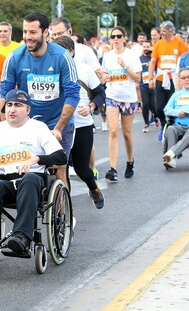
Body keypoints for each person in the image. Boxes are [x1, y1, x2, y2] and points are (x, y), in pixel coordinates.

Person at [0, 90, 66, 259]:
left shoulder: (38, 128)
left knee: (29, 179)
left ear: (27, 110)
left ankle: (21, 237)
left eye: (18, 105)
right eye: (9, 105)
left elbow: (60, 156)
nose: (12, 109)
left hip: (31, 181)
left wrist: (36, 158)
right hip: (4, 182)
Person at [0, 12, 80, 187]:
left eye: (33, 32)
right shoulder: (14, 57)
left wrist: (59, 128)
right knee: (21, 168)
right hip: (27, 124)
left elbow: (73, 95)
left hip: (58, 122)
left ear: (45, 33)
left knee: (59, 169)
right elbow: (4, 94)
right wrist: (6, 127)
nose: (28, 37)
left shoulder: (62, 57)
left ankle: (63, 213)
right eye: (25, 32)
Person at [52, 36, 105, 209]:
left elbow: (100, 93)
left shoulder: (84, 69)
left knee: (82, 168)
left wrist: (91, 106)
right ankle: (65, 208)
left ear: (72, 53)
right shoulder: (50, 70)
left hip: (82, 124)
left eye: (63, 52)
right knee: (62, 168)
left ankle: (94, 188)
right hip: (61, 125)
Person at [102, 26, 142, 181]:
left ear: (124, 38)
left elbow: (138, 79)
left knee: (126, 133)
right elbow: (104, 74)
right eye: (113, 37)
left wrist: (125, 66)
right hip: (112, 96)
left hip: (129, 98)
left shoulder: (132, 55)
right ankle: (113, 168)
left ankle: (130, 161)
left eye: (119, 36)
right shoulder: (107, 56)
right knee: (113, 131)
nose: (116, 39)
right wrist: (104, 78)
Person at [148, 21, 188, 140]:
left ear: (171, 31)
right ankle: (163, 125)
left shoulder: (179, 43)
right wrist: (151, 78)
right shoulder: (159, 44)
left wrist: (184, 76)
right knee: (158, 107)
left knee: (173, 105)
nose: (162, 33)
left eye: (164, 30)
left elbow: (185, 59)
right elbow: (153, 62)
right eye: (161, 30)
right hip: (161, 78)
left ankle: (173, 127)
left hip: (174, 79)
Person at [139, 41, 157, 132]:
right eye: (144, 46)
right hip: (143, 85)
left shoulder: (154, 58)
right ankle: (146, 124)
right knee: (145, 104)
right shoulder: (140, 58)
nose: (146, 48)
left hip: (153, 84)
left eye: (148, 46)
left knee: (153, 105)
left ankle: (155, 115)